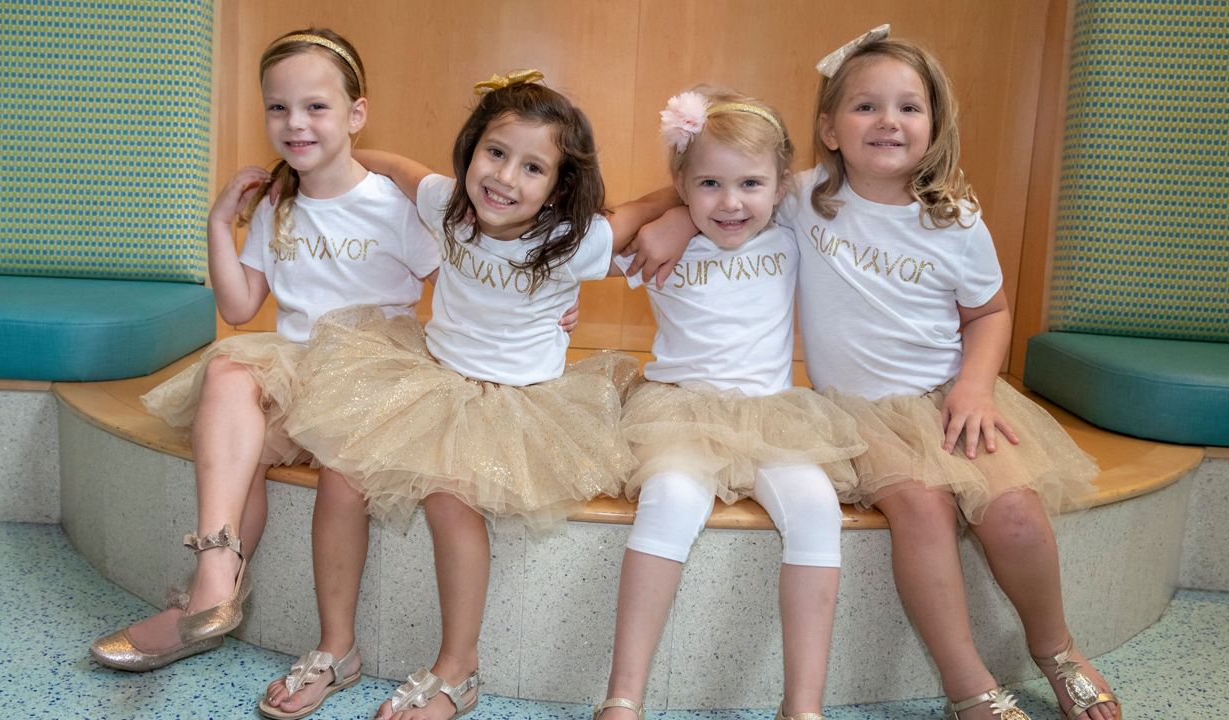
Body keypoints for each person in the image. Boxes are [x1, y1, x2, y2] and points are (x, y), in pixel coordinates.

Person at [637, 27, 1119, 720]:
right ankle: (967, 686)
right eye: (866, 106)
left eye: (908, 107)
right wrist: (681, 215)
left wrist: (976, 386)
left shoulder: (955, 220)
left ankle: (1058, 649)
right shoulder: (804, 197)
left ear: (934, 125)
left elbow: (991, 311)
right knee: (920, 510)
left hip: (950, 398)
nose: (888, 121)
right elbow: (720, 175)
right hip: (858, 415)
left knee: (1014, 512)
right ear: (830, 128)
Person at [259, 70, 679, 720]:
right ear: (472, 149)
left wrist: (679, 215)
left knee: (449, 496)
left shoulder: (573, 242)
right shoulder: (445, 205)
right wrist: (325, 163)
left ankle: (459, 669)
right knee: (341, 472)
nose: (505, 178)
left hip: (518, 403)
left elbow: (641, 210)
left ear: (559, 187)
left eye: (532, 167)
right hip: (431, 377)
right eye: (496, 153)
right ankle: (336, 646)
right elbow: (396, 166)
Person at [89, 28, 440, 676]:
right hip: (299, 368)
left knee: (288, 435)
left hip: (371, 374)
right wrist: (220, 223)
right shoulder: (280, 204)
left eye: (315, 106)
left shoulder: (390, 202)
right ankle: (213, 582)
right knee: (229, 372)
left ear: (356, 114)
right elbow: (240, 306)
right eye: (278, 107)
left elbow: (448, 284)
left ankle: (222, 605)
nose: (294, 122)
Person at [592, 88, 866, 720]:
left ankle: (802, 704)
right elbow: (584, 250)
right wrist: (674, 217)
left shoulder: (794, 232)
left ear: (778, 188)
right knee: (671, 500)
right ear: (682, 183)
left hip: (772, 416)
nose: (732, 201)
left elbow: (832, 170)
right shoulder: (662, 246)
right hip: (678, 414)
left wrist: (689, 210)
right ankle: (624, 696)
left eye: (750, 183)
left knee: (818, 509)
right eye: (709, 184)